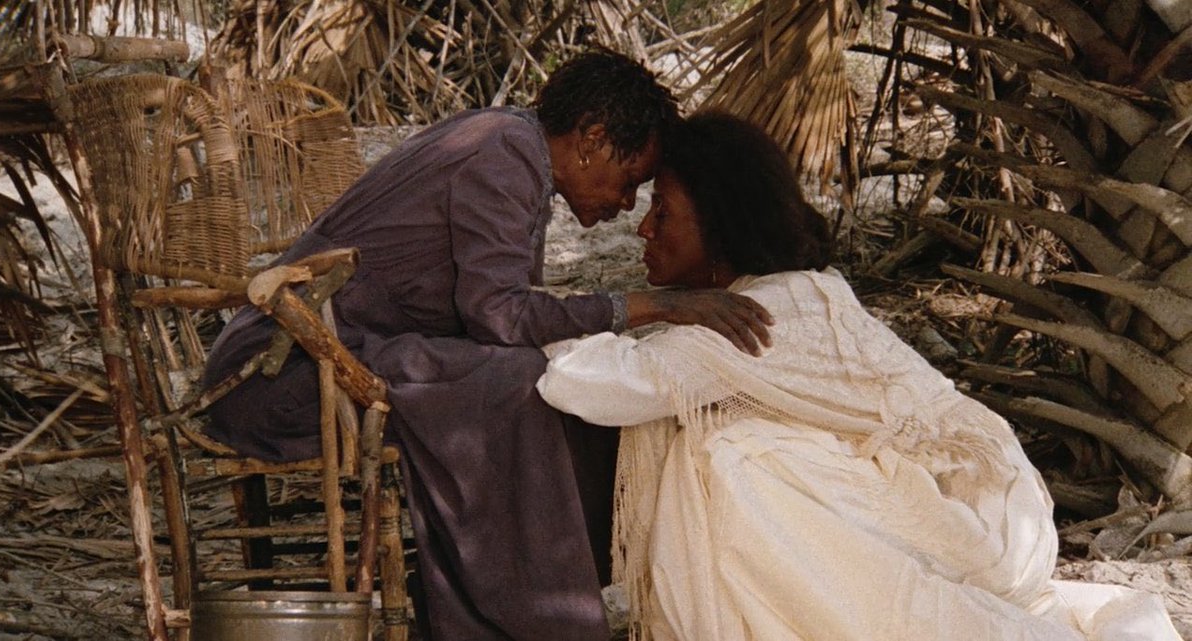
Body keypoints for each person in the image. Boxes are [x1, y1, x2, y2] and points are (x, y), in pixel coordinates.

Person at [536, 112, 1183, 641]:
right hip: (989, 502)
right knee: (729, 439)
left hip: (979, 519)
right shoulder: (789, 290)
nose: (643, 228)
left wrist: (624, 307)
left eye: (663, 211)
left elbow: (586, 381)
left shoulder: (753, 318)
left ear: (721, 229)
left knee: (730, 458)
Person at [202, 49, 770, 640]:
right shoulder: (504, 153)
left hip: (338, 359)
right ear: (592, 139)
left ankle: (537, 602)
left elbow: (506, 317)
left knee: (567, 381)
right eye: (630, 181)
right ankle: (525, 618)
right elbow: (499, 317)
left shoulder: (513, 150)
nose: (627, 204)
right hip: (281, 373)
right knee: (523, 382)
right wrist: (650, 305)